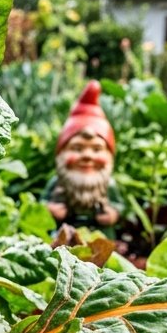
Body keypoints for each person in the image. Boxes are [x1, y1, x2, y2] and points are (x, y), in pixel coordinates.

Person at [43, 81, 121, 232]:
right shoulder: (58, 182)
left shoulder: (109, 185)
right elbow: (42, 203)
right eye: (77, 149)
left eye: (97, 149)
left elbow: (120, 207)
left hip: (99, 236)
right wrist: (50, 209)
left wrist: (113, 215)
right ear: (61, 153)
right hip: (62, 234)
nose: (87, 156)